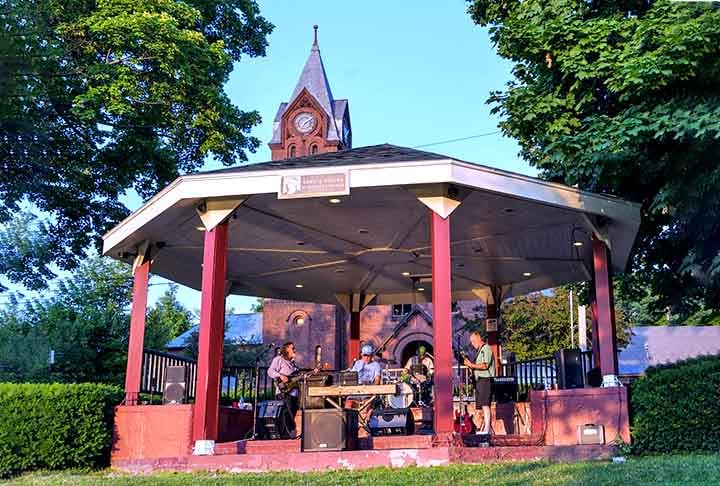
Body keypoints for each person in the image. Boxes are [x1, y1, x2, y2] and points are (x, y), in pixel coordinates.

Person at [464, 331, 495, 436]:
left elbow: (485, 365)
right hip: (479, 379)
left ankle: (487, 429)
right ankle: (484, 427)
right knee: (482, 405)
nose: (472, 344)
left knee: (486, 405)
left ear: (478, 338)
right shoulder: (479, 351)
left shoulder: (486, 349)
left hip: (485, 379)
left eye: (473, 341)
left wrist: (471, 365)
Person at [267, 341, 300, 437]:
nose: (295, 349)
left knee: (291, 414)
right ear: (286, 350)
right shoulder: (279, 359)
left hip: (294, 394)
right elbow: (270, 371)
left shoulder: (293, 364)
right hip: (284, 392)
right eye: (292, 348)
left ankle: (288, 434)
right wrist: (280, 375)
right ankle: (288, 434)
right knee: (286, 414)